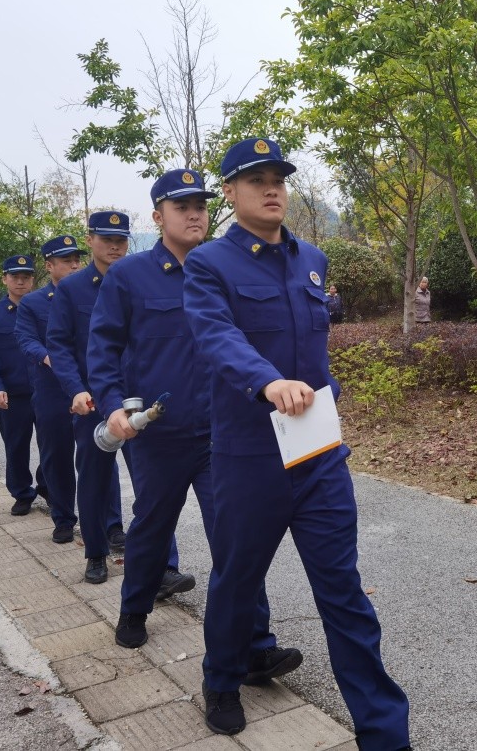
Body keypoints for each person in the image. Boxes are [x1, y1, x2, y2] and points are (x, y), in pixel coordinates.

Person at [183, 137, 411, 749]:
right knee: (237, 577)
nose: (272, 186)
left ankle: (384, 730)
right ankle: (223, 678)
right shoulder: (209, 266)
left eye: (278, 175)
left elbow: (316, 351)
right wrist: (267, 382)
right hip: (249, 458)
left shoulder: (312, 257)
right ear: (229, 193)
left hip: (317, 457)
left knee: (343, 590)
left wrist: (331, 426)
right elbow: (216, 338)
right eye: (255, 178)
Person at [87, 169, 297, 656]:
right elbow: (103, 349)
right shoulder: (129, 276)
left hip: (223, 434)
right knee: (153, 526)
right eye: (182, 207)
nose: (195, 213)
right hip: (161, 434)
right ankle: (134, 608)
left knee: (235, 536)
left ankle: (254, 644)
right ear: (159, 217)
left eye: (200, 205)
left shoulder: (227, 267)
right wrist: (113, 405)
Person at [46, 212, 129, 584]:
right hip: (93, 402)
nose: (115, 245)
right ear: (91, 239)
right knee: (94, 480)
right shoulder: (72, 288)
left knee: (155, 483)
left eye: (121, 239)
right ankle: (96, 552)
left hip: (136, 400)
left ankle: (162, 564)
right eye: (107, 238)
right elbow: (59, 345)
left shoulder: (140, 280)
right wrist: (75, 389)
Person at [14, 235, 94, 544]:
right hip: (51, 391)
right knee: (57, 458)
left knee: (97, 456)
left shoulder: (93, 296)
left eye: (77, 259)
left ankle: (110, 525)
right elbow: (25, 338)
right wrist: (47, 356)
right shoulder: (34, 302)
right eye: (66, 260)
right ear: (49, 266)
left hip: (87, 388)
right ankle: (63, 518)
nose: (75, 264)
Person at [0, 255, 47, 516]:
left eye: (26, 276)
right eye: (15, 276)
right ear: (4, 278)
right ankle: (22, 493)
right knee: (16, 446)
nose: (21, 281)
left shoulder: (45, 308)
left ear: (32, 279)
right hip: (12, 394)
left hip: (44, 391)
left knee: (51, 444)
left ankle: (47, 486)